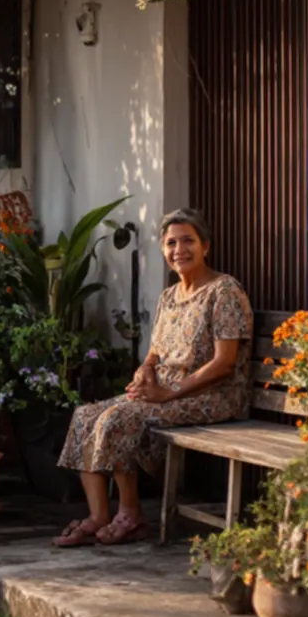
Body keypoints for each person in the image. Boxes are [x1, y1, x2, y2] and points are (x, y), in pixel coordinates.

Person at [52, 208, 253, 546]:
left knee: (118, 418)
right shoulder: (168, 296)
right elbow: (156, 351)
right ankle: (98, 515)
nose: (179, 250)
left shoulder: (223, 291)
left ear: (205, 246)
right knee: (85, 415)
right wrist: (146, 369)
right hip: (168, 391)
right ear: (163, 249)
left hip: (214, 395)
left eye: (188, 241)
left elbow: (224, 363)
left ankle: (129, 515)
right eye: (171, 243)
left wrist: (169, 392)